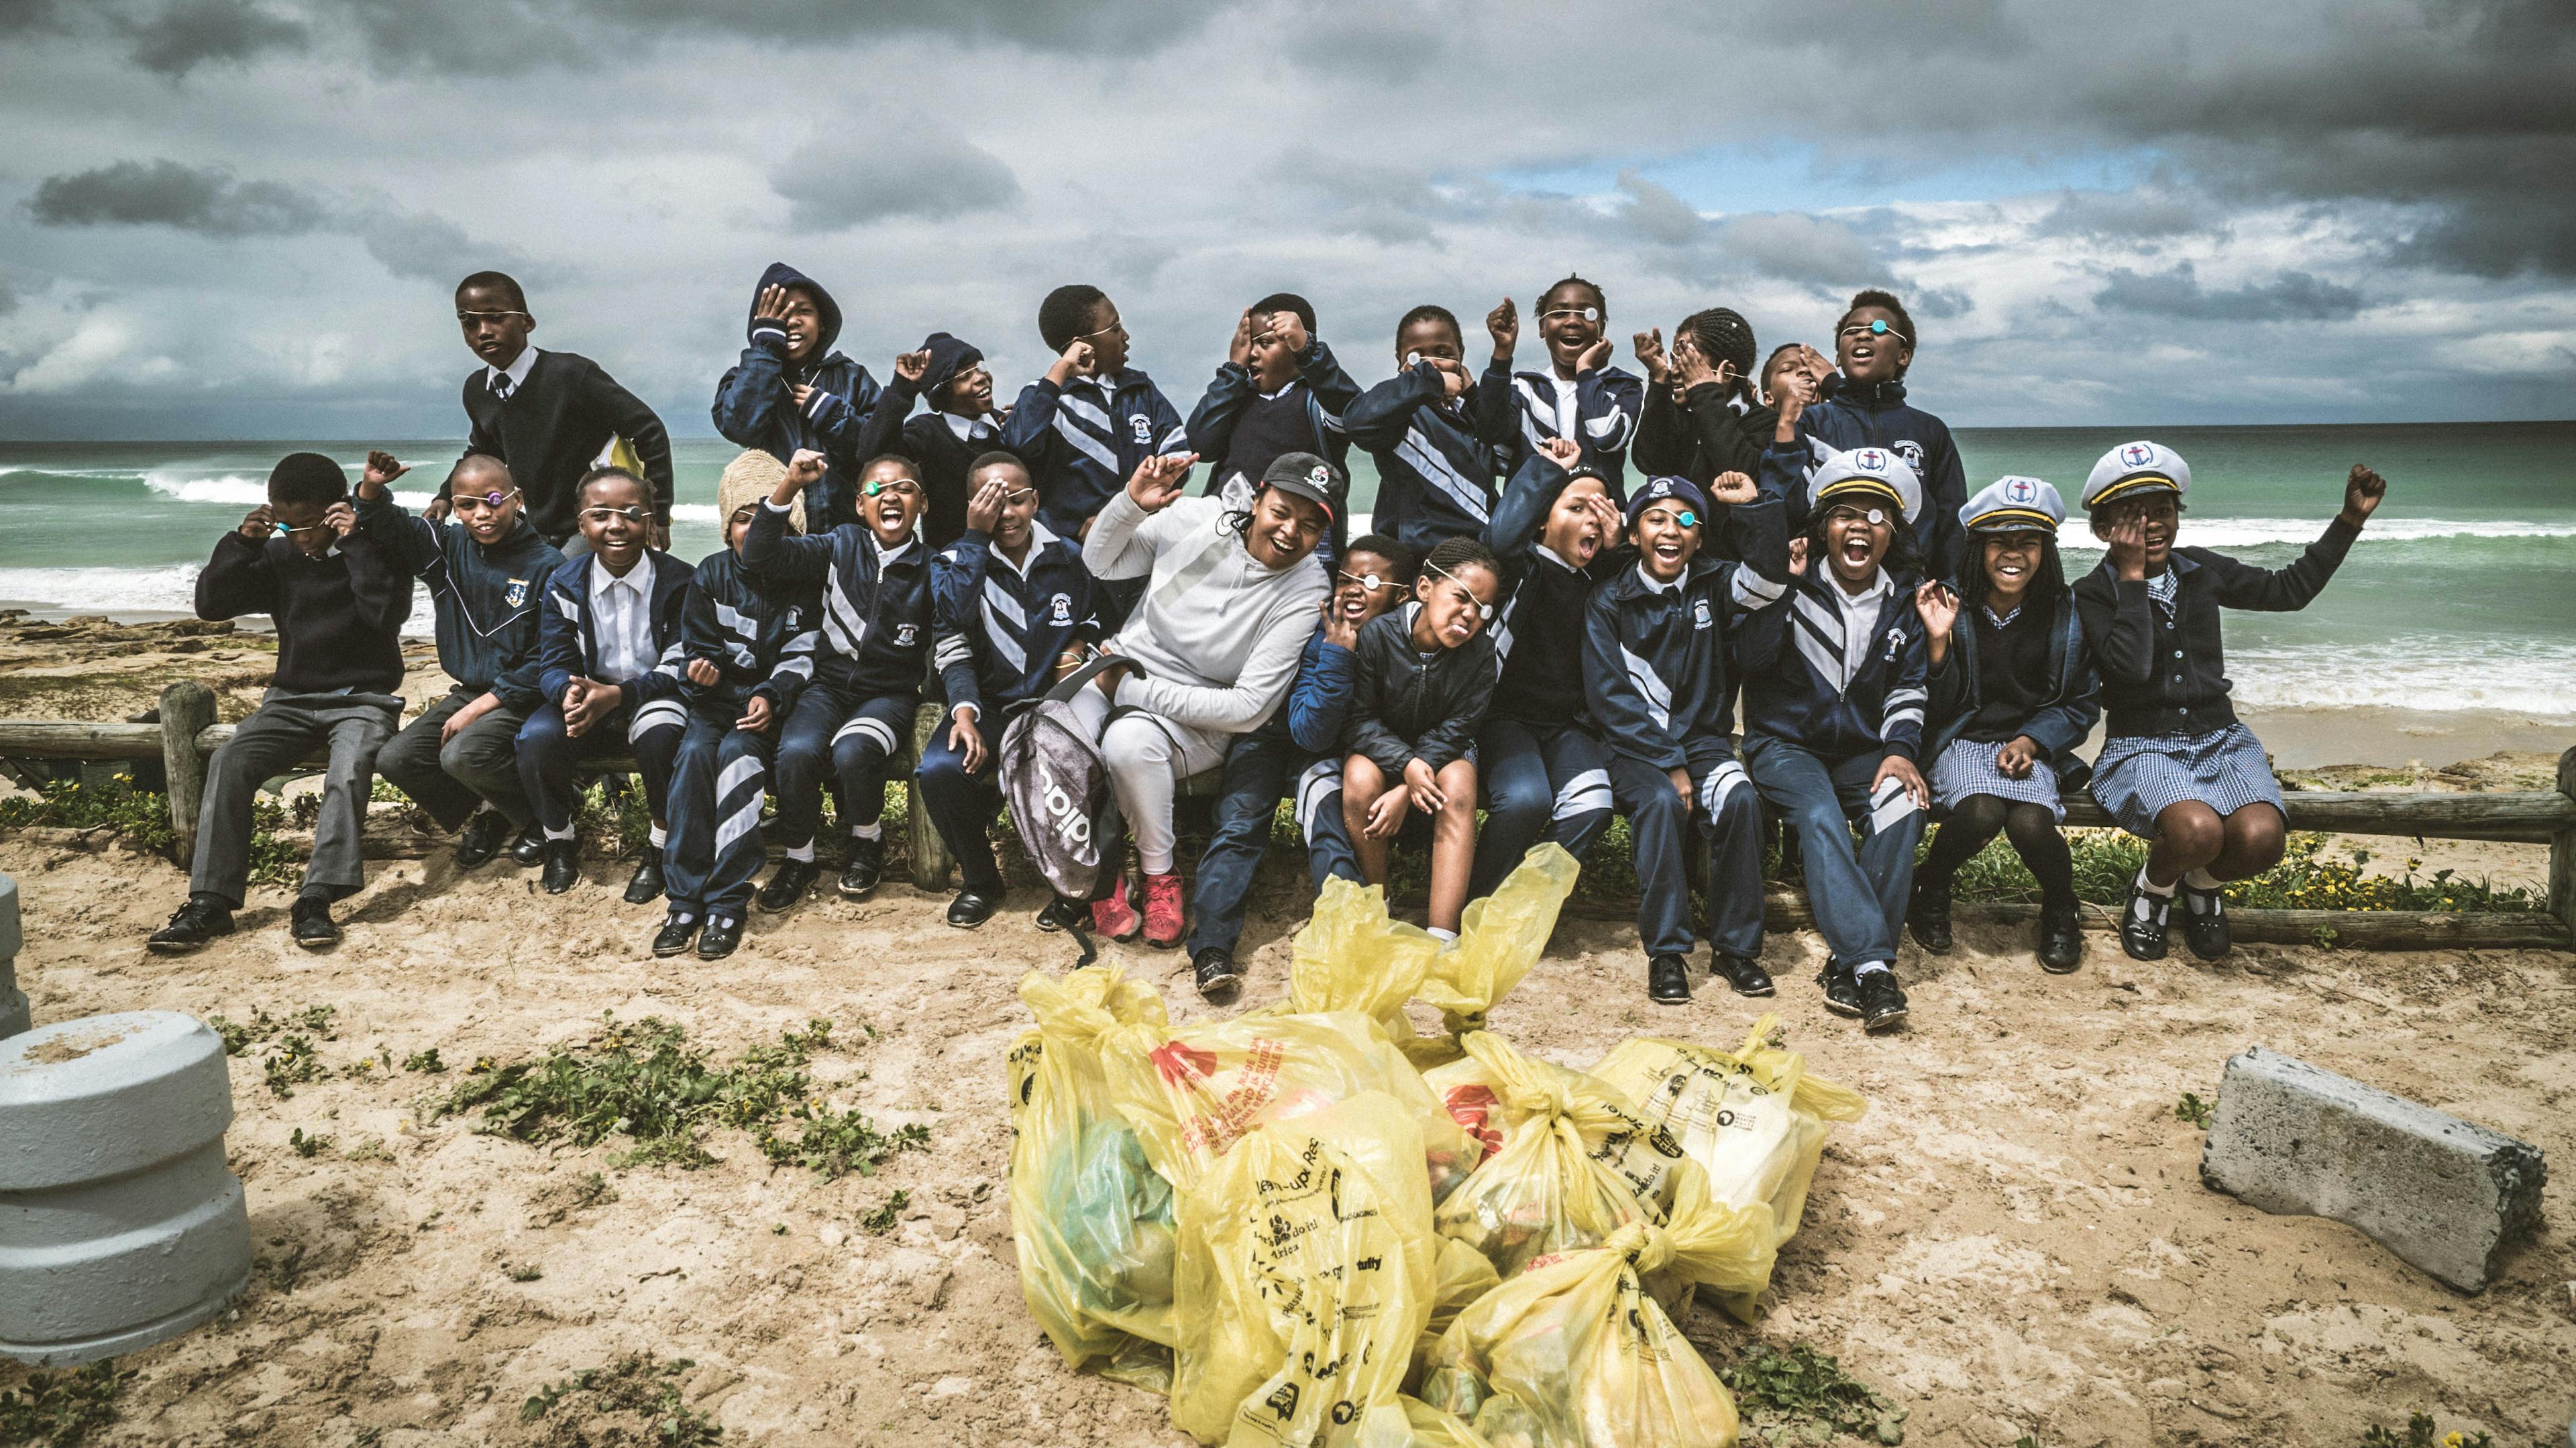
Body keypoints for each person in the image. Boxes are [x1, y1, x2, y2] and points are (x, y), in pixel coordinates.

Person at [2074, 441, 2385, 962]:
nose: (2151, 524)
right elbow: (2131, 668)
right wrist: (2132, 580)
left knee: (2263, 838)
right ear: (2105, 529)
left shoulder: (2200, 569)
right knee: (2197, 830)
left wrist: (2349, 520)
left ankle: (2201, 886)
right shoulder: (2092, 592)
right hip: (2143, 745)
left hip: (2221, 739)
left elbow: (2290, 589)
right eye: (2132, 515)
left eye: (2163, 511)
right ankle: (2153, 891)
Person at [148, 453, 411, 952]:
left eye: (309, 524)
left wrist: (354, 543)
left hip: (364, 699)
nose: (299, 536)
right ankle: (210, 901)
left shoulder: (376, 548)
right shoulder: (278, 554)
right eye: (286, 523)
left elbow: (383, 614)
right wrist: (242, 543)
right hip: (289, 700)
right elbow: (212, 605)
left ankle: (316, 897)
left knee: (350, 766)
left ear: (337, 510)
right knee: (229, 759)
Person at [1075, 449, 1336, 948]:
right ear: (1258, 500)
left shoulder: (1306, 589)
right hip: (1122, 666)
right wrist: (1131, 503)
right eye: (1281, 512)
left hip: (1196, 716)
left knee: (1129, 743)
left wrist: (1128, 688)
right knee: (1063, 739)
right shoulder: (1199, 519)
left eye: (1309, 526)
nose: (1288, 533)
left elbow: (1249, 708)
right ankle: (1099, 870)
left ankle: (1159, 875)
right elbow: (1100, 561)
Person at [1737, 446, 1933, 1032]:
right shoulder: (1791, 583)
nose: (1860, 526)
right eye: (1846, 513)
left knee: (1904, 806)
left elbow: (1910, 686)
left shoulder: (1904, 599)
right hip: (1785, 746)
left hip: (1864, 753)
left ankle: (1847, 964)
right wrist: (1780, 587)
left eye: (1876, 516)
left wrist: (1899, 751)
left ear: (1890, 531)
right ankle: (1874, 964)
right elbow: (1752, 657)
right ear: (1824, 526)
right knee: (1819, 815)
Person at [1582, 474, 1782, 1005]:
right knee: (1660, 801)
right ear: (1633, 535)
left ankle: (1736, 948)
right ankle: (1667, 951)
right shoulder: (1609, 600)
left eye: (1687, 520)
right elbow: (1609, 701)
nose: (1672, 530)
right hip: (1634, 749)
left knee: (1741, 799)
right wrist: (1669, 761)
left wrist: (1754, 506)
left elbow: (1769, 578)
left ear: (1699, 538)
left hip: (1705, 743)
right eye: (1656, 518)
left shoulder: (1716, 583)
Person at [1183, 534, 1407, 999]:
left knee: (1327, 823)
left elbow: (1321, 738)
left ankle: (1348, 941)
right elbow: (1306, 726)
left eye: (1369, 580)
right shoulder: (1320, 624)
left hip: (1321, 751)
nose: (1352, 589)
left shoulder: (1396, 641)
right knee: (1239, 826)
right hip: (1270, 734)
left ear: (1400, 595)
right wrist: (1336, 652)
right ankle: (1211, 950)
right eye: (1345, 577)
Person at [1905, 478, 2101, 974]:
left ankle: (2061, 906)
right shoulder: (1951, 605)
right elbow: (1936, 703)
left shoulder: (2066, 613)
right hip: (1962, 741)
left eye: (2028, 542)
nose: (2013, 554)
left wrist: (2033, 739)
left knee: (2031, 821)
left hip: (2029, 743)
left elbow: (2080, 703)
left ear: (2046, 549)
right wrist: (1936, 644)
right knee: (1981, 811)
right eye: (2000, 540)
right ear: (1979, 547)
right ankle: (1931, 884)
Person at [743, 452, 934, 910]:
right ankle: (799, 858)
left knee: (853, 751)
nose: (889, 495)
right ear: (858, 505)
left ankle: (867, 840)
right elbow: (758, 554)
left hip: (888, 695)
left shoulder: (932, 566)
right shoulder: (840, 545)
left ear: (922, 504)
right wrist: (790, 484)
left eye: (903, 488)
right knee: (796, 751)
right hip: (827, 687)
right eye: (875, 489)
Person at [357, 449, 563, 871]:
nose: (481, 514)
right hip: (469, 690)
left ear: (516, 500)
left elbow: (550, 657)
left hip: (524, 698)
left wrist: (486, 703)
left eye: (492, 500)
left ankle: (547, 817)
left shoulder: (549, 565)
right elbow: (389, 526)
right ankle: (494, 814)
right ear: (455, 508)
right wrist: (373, 489)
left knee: (461, 755)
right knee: (397, 759)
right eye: (466, 505)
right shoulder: (447, 548)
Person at [651, 451, 822, 961]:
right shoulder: (710, 575)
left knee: (740, 761)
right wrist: (701, 677)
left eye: (766, 519)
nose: (753, 529)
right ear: (728, 528)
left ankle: (727, 900)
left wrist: (769, 697)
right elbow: (697, 648)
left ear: (790, 529)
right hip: (715, 706)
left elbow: (801, 655)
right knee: (694, 761)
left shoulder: (803, 578)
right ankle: (683, 899)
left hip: (768, 710)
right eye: (743, 518)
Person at [918, 451, 1096, 929]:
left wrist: (1079, 643)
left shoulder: (1067, 557)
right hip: (992, 708)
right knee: (939, 769)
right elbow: (951, 627)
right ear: (972, 507)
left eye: (1015, 499)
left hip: (1054, 708)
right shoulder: (954, 561)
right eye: (990, 502)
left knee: (1082, 763)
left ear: (1035, 501)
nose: (1006, 513)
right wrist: (964, 714)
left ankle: (1073, 885)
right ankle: (980, 879)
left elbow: (1097, 618)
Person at [516, 467, 691, 897]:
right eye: (601, 514)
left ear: (650, 522)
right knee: (535, 738)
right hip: (592, 693)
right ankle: (559, 838)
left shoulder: (681, 580)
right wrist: (569, 692)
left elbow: (681, 661)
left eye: (631, 513)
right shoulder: (565, 583)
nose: (616, 525)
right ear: (582, 524)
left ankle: (659, 846)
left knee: (661, 732)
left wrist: (621, 695)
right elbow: (553, 662)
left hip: (652, 694)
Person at [1468, 438, 1625, 897]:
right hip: (1506, 719)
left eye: (1601, 509)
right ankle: (1476, 900)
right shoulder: (1521, 567)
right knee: (1525, 800)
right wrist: (1546, 470)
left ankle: (1519, 905)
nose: (1592, 518)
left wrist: (1615, 551)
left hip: (1566, 726)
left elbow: (1632, 589)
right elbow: (1500, 537)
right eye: (1576, 506)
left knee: (1593, 805)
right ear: (1541, 522)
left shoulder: (1602, 580)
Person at [1341, 537, 1503, 942]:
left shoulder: (1482, 654)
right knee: (1359, 780)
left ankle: (1442, 933)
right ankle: (1378, 906)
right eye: (1461, 597)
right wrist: (1405, 766)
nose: (1470, 615)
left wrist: (1408, 785)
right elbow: (1360, 719)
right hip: (1383, 744)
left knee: (1460, 787)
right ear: (1426, 588)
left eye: (1482, 609)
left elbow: (1459, 729)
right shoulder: (1378, 636)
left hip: (1445, 750)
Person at [443, 270, 675, 550]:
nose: (484, 331)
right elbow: (484, 452)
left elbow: (649, 430)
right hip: (533, 529)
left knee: (564, 589)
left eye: (496, 318)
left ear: (527, 322)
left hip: (590, 526)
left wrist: (657, 514)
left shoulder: (571, 375)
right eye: (470, 323)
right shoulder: (478, 390)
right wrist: (444, 498)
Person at [1770, 289, 1968, 579]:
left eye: (1878, 329)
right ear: (1837, 356)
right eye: (1852, 331)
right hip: (1827, 589)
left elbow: (1952, 521)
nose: (1863, 335)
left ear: (1903, 355)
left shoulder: (1929, 430)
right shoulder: (1812, 423)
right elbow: (1790, 506)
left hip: (1907, 594)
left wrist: (1949, 587)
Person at [999, 283, 1193, 541]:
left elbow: (1179, 453)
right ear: (1082, 345)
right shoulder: (1045, 397)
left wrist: (1122, 513)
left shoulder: (1140, 390)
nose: (1125, 336)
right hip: (1072, 549)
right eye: (1114, 329)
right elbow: (1018, 445)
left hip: (1142, 538)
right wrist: (1062, 369)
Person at [710, 263, 883, 534]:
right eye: (780, 314)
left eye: (804, 311)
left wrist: (834, 416)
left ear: (822, 322)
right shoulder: (744, 377)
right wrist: (765, 347)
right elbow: (740, 428)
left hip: (848, 535)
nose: (792, 321)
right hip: (780, 536)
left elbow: (881, 447)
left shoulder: (853, 377)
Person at [1341, 304, 1504, 557]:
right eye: (1417, 357)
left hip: (1478, 556)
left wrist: (1474, 394)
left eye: (1443, 352)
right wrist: (1431, 383)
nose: (1432, 364)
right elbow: (1359, 421)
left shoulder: (1471, 412)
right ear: (1400, 361)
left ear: (1461, 353)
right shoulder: (1399, 414)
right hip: (1419, 560)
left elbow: (1502, 434)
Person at [1471, 275, 1644, 500]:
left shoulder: (1623, 386)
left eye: (1587, 314)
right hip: (1534, 524)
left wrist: (1585, 370)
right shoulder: (1524, 389)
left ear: (1601, 327)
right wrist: (1502, 354)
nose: (1573, 321)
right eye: (1559, 313)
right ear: (1542, 327)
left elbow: (1607, 437)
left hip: (1597, 520)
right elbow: (1490, 432)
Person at [1184, 294, 1361, 512]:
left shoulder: (1317, 401)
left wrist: (1308, 352)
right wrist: (1232, 373)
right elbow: (1199, 446)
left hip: (1289, 534)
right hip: (1223, 530)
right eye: (1250, 345)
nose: (1252, 354)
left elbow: (1355, 415)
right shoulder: (1236, 396)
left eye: (1265, 343)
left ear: (1296, 342)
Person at [847, 331, 1004, 551]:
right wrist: (902, 388)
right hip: (953, 567)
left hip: (1015, 565)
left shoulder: (1008, 425)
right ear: (942, 394)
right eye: (963, 377)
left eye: (979, 367)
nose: (980, 377)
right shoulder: (925, 432)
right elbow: (871, 453)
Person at [1631, 307, 1777, 492]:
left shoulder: (1766, 423)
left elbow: (1744, 475)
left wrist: (1706, 394)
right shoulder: (1677, 416)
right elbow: (1650, 463)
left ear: (1728, 373)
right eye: (1674, 360)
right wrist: (1659, 381)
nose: (1674, 370)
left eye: (1688, 362)